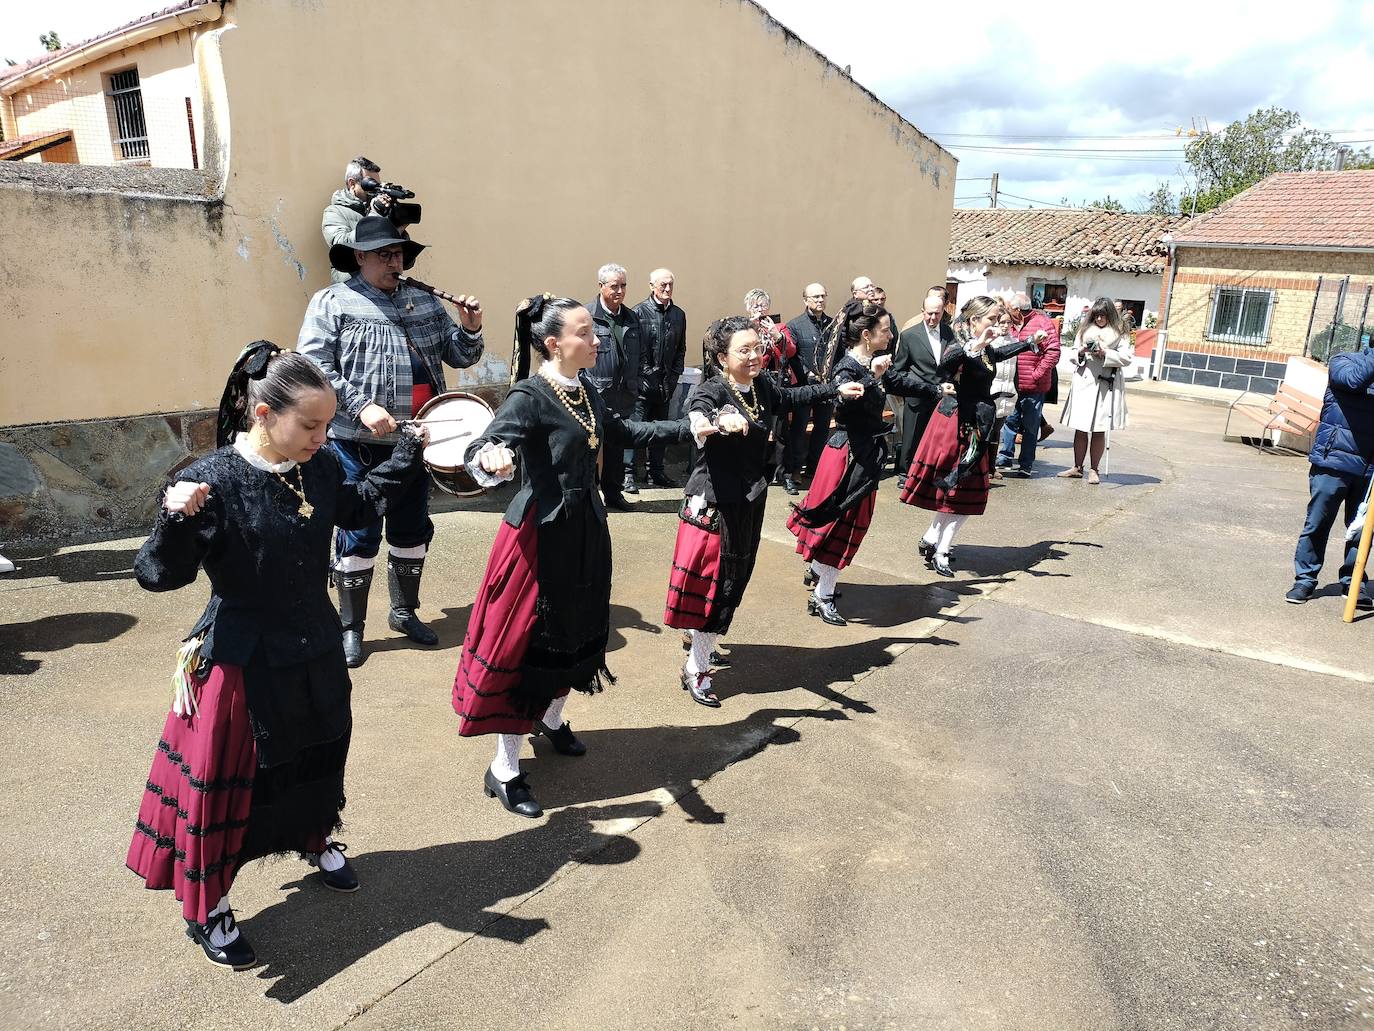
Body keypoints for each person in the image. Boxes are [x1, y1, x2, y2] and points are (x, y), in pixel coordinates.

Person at [126, 343, 429, 970]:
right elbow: (158, 575)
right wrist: (173, 521)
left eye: (327, 425)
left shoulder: (313, 466)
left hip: (315, 641)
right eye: (311, 425)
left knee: (316, 749)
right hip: (242, 658)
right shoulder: (211, 480)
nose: (323, 437)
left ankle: (313, 838)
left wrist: (409, 453)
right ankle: (207, 905)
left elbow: (357, 503)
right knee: (231, 786)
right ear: (263, 413)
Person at [453, 296, 690, 818]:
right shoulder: (529, 395)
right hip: (539, 538)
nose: (598, 339)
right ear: (555, 343)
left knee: (580, 630)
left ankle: (553, 718)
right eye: (587, 332)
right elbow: (487, 446)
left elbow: (624, 432)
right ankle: (505, 767)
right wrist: (489, 457)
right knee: (527, 645)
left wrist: (689, 427)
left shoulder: (584, 389)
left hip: (584, 528)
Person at [299, 216, 485, 667]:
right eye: (384, 254)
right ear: (359, 257)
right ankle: (351, 628)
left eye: (398, 253)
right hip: (354, 443)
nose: (394, 261)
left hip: (415, 441)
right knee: (358, 533)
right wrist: (361, 405)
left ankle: (404, 612)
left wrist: (470, 326)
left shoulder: (424, 301)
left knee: (411, 530)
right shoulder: (332, 302)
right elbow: (313, 365)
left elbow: (461, 356)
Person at [664, 316, 862, 707]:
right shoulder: (712, 389)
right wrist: (714, 422)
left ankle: (698, 638)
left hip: (749, 499)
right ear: (722, 357)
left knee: (733, 578)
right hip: (716, 503)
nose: (756, 355)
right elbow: (698, 413)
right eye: (745, 349)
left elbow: (793, 397)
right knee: (719, 584)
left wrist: (835, 388)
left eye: (758, 347)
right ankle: (696, 670)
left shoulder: (763, 386)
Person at [895, 296, 1039, 576]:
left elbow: (999, 354)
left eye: (998, 320)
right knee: (960, 493)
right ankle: (942, 551)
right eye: (991, 320)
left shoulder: (985, 350)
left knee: (962, 493)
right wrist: (977, 344)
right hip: (959, 426)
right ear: (974, 321)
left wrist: (1030, 341)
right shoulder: (960, 346)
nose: (996, 325)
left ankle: (932, 539)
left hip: (977, 423)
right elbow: (946, 365)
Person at [787, 299, 895, 625]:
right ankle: (824, 596)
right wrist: (873, 380)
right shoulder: (848, 368)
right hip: (849, 456)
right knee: (841, 529)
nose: (889, 335)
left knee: (846, 525)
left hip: (862, 454)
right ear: (866, 335)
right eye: (885, 330)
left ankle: (820, 574)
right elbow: (844, 409)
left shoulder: (869, 364)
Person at [1285, 345, 1374, 605]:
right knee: (1317, 523)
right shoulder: (1343, 362)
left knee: (1362, 532)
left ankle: (1353, 581)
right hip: (1333, 462)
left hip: (1369, 469)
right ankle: (1305, 580)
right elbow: (1355, 380)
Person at [586, 263, 643, 509]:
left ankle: (613, 493)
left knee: (616, 448)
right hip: (595, 392)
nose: (620, 291)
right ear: (601, 286)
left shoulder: (631, 317)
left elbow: (639, 354)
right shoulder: (587, 315)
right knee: (590, 446)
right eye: (614, 286)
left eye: (623, 286)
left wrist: (637, 380)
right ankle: (589, 495)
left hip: (623, 394)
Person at [1058, 297, 1131, 484]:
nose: (1099, 319)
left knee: (1099, 429)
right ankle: (1077, 466)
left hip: (1105, 385)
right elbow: (1073, 353)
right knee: (1081, 427)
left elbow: (1127, 358)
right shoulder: (1084, 331)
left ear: (1110, 315)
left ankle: (1094, 469)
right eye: (1096, 315)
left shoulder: (1120, 333)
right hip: (1084, 382)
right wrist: (1081, 352)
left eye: (1103, 316)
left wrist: (1106, 353)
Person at [890, 292, 956, 488]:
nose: (932, 318)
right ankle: (906, 473)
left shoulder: (948, 333)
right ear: (922, 312)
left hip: (942, 396)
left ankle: (929, 473)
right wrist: (906, 389)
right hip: (917, 395)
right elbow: (900, 368)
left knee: (936, 438)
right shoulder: (909, 335)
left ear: (943, 312)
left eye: (936, 313)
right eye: (929, 313)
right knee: (911, 436)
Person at [630, 268, 687, 488]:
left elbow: (680, 349)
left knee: (662, 429)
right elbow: (636, 350)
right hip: (643, 385)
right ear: (651, 285)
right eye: (663, 284)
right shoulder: (639, 312)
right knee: (636, 428)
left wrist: (674, 376)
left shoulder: (678, 314)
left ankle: (657, 471)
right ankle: (630, 473)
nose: (667, 288)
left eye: (671, 284)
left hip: (666, 385)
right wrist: (646, 375)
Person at [996, 292, 1061, 477]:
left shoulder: (1042, 323)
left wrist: (1036, 374)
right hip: (1011, 385)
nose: (1007, 312)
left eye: (1010, 309)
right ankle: (1005, 457)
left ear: (1017, 309)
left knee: (1031, 426)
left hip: (1034, 386)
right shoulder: (1010, 325)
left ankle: (1026, 464)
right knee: (1009, 422)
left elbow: (1053, 352)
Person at [784, 284, 837, 486]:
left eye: (823, 296)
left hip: (827, 387)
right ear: (805, 300)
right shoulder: (795, 325)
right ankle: (796, 469)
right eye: (815, 297)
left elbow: (838, 353)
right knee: (799, 428)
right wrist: (808, 374)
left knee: (822, 428)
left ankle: (814, 468)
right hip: (805, 387)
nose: (820, 300)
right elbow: (793, 356)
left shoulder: (833, 325)